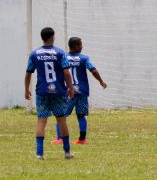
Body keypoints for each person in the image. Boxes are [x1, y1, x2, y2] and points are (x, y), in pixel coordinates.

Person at [24, 26, 76, 160]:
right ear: (53, 37)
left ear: (42, 38)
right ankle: (67, 152)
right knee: (61, 120)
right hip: (58, 91)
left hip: (42, 92)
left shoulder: (34, 54)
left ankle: (39, 154)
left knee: (41, 121)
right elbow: (66, 73)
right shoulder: (60, 53)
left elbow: (28, 74)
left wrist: (26, 89)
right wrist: (70, 88)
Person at [52, 37, 107, 145]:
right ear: (76, 45)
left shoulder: (63, 57)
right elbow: (93, 70)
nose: (82, 46)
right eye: (80, 44)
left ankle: (60, 138)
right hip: (81, 91)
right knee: (81, 115)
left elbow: (58, 73)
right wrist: (101, 81)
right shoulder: (84, 58)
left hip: (68, 91)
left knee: (61, 115)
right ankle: (82, 139)